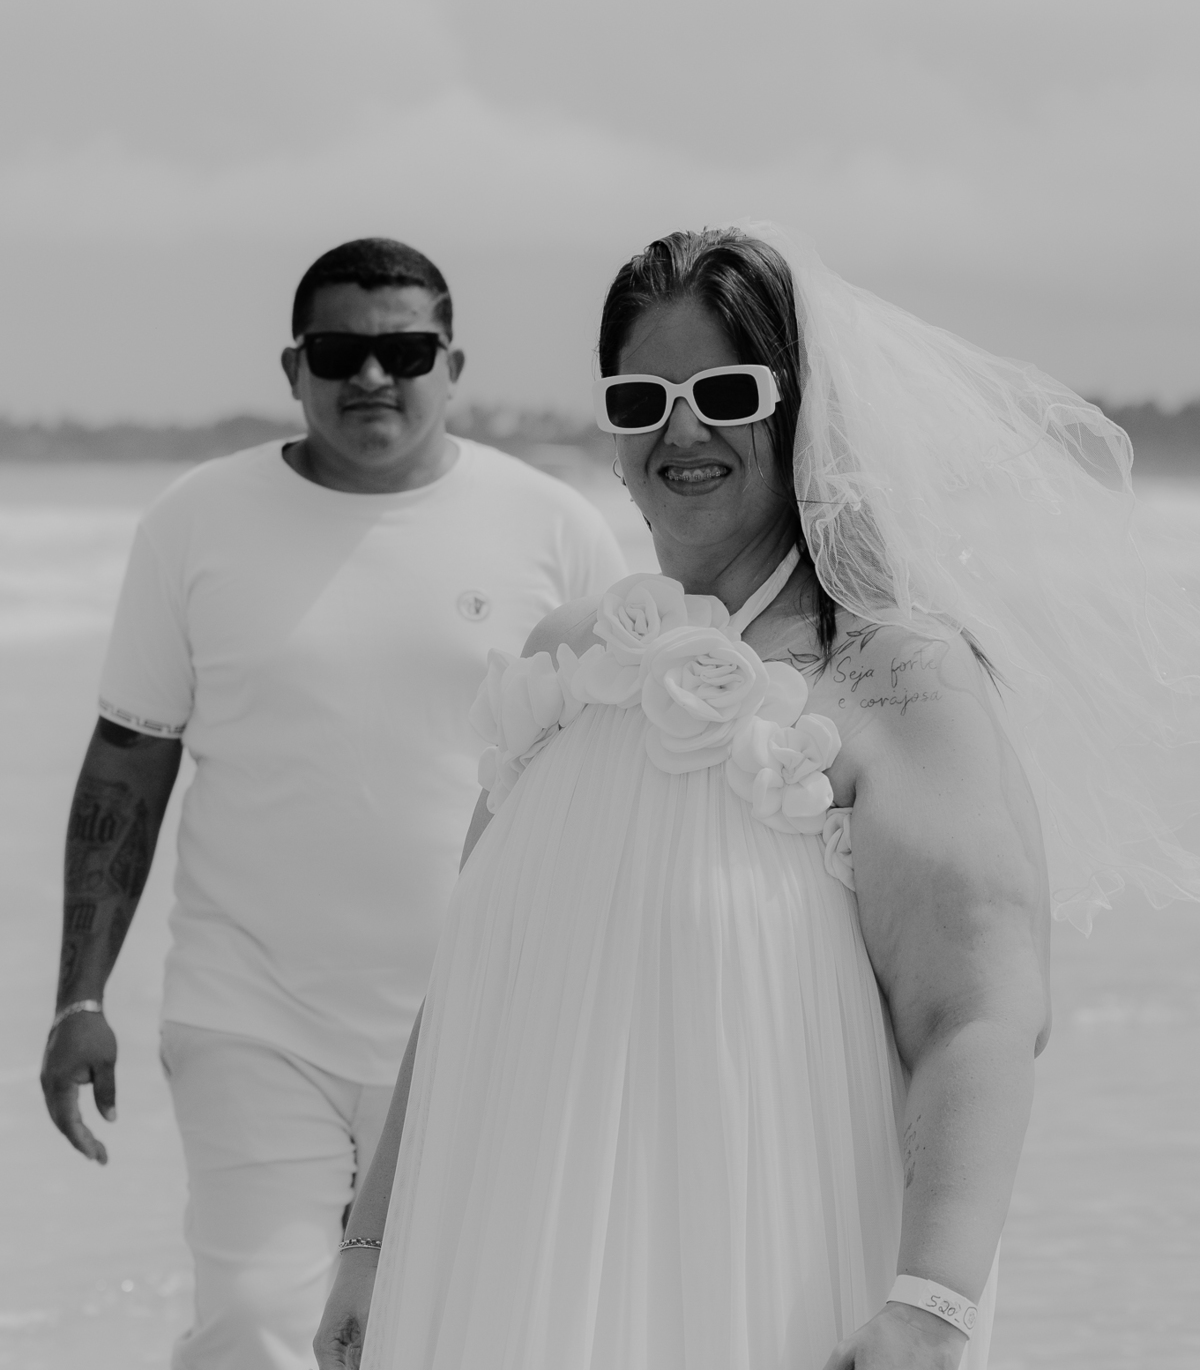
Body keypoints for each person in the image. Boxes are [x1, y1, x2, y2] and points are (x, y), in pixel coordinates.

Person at [315, 226, 1200, 1370]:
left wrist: (931, 1305)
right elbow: (465, 994)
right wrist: (371, 1243)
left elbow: (979, 1015)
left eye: (725, 392)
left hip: (758, 1279)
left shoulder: (895, 676)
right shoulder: (565, 665)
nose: (681, 429)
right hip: (510, 1268)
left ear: (801, 413)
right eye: (642, 399)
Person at [40, 237, 627, 1370]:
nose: (370, 376)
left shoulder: (555, 527)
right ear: (291, 365)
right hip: (252, 1013)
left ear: (453, 365)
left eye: (403, 352)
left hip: (485, 1013)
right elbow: (127, 760)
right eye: (337, 350)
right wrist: (79, 995)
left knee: (456, 1332)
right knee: (256, 1324)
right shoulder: (196, 520)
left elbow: (619, 769)